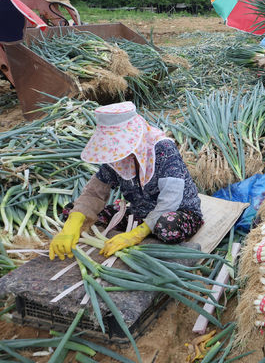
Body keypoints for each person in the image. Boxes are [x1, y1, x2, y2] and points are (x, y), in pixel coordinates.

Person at [49, 102, 203, 260]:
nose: (117, 150)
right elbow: (94, 193)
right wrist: (71, 225)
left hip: (178, 212)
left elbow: (172, 198)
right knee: (73, 211)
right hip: (139, 214)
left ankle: (149, 236)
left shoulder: (162, 149)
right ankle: (143, 230)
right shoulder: (116, 156)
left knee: (166, 227)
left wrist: (136, 235)